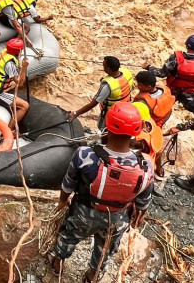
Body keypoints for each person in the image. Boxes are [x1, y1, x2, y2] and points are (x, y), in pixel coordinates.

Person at [47, 102, 153, 283]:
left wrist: (62, 202)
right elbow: (143, 201)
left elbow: (68, 185)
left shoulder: (84, 155)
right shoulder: (146, 164)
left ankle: (57, 263)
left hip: (84, 212)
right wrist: (138, 215)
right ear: (137, 132)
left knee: (69, 234)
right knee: (106, 248)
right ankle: (92, 276)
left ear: (107, 126)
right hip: (117, 218)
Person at [145, 34, 194, 141]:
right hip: (191, 93)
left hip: (172, 90)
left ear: (186, 45)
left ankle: (154, 131)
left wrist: (149, 67)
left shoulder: (176, 57)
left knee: (163, 110)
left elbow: (162, 73)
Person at [70, 56, 135, 131]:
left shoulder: (107, 86)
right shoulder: (127, 72)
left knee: (104, 131)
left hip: (111, 115)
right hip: (126, 111)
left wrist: (76, 113)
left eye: (103, 66)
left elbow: (93, 104)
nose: (103, 67)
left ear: (108, 69)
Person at [132, 71, 175, 177]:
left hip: (149, 128)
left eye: (140, 85)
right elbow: (169, 110)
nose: (138, 87)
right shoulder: (164, 90)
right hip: (160, 123)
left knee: (150, 150)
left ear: (149, 86)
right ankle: (159, 169)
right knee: (157, 148)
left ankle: (145, 172)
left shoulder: (143, 102)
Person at [0, 38, 29, 130]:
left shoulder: (5, 52)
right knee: (25, 106)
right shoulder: (10, 64)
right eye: (21, 50)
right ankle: (9, 129)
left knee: (12, 84)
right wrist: (24, 67)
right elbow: (20, 83)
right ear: (18, 51)